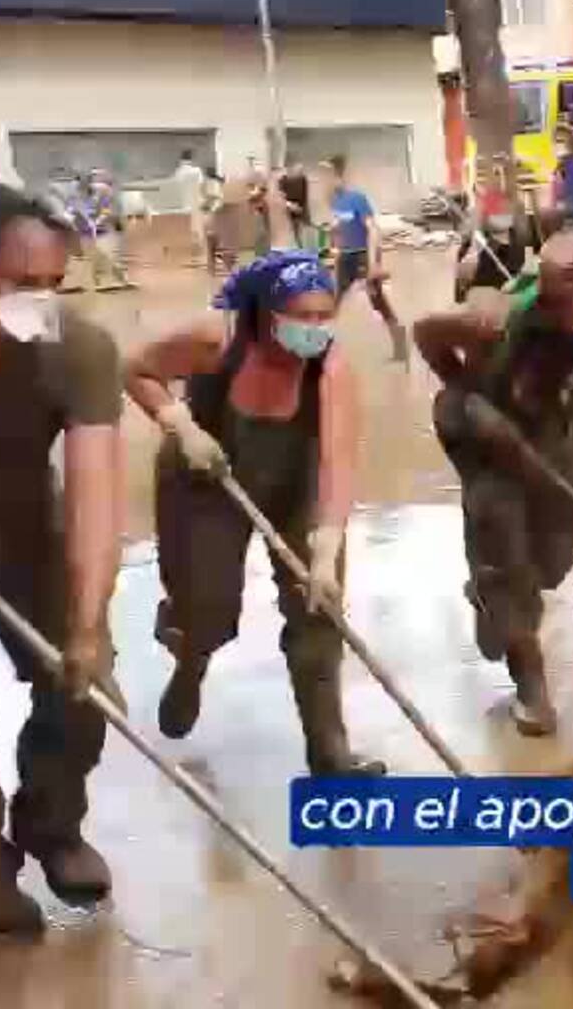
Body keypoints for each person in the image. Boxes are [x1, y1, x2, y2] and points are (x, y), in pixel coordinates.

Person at [128, 176, 385, 778]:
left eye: (325, 316)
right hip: (205, 476)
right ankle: (191, 656)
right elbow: (135, 369)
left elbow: (337, 462)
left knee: (319, 611)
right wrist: (180, 426)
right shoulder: (218, 339)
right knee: (212, 610)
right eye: (303, 317)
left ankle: (328, 750)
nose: (315, 328)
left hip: (293, 481)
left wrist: (325, 551)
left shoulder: (330, 365)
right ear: (268, 316)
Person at [417, 225, 573, 735]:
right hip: (481, 435)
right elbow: (425, 331)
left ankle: (491, 593)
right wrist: (465, 390)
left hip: (546, 435)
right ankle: (531, 686)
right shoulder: (492, 320)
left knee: (551, 561)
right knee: (508, 556)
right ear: (547, 297)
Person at [0, 185, 123, 933]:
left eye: (54, 285)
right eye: (20, 284)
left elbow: (96, 493)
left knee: (85, 690)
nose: (42, 302)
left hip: (27, 530)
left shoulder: (78, 350)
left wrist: (87, 625)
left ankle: (51, 825)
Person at [323, 156, 406, 361]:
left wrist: (372, 263)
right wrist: (333, 244)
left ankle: (400, 345)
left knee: (378, 302)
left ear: (338, 176)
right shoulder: (335, 201)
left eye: (326, 176)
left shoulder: (357, 198)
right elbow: (338, 227)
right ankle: (319, 350)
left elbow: (373, 231)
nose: (322, 181)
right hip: (345, 257)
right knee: (333, 301)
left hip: (362, 255)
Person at [455, 185, 541, 304]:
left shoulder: (527, 241)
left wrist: (524, 280)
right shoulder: (471, 252)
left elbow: (534, 282)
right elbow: (463, 300)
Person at [75, 170, 130, 291]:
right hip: (89, 231)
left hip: (104, 228)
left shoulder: (103, 191)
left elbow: (108, 209)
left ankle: (121, 279)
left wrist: (100, 221)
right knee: (96, 257)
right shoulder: (78, 196)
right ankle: (100, 282)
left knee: (112, 254)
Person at [175, 149, 208, 265]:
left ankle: (193, 251)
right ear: (191, 158)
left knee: (190, 228)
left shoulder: (178, 172)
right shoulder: (197, 170)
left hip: (185, 204)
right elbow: (201, 185)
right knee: (199, 227)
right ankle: (199, 251)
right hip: (197, 201)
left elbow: (176, 187)